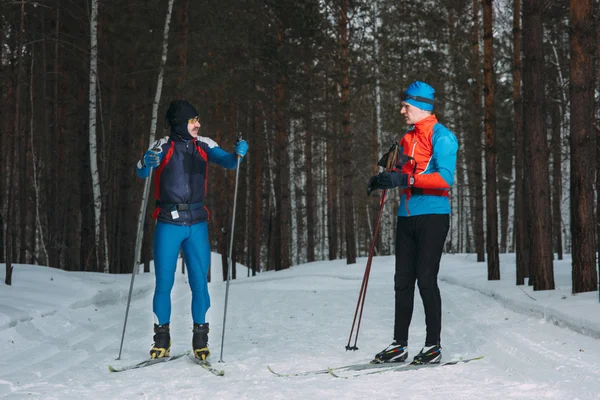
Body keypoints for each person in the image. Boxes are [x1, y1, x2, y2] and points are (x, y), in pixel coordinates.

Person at [136, 100, 248, 360]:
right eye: (192, 121)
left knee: (200, 283)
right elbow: (141, 171)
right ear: (179, 124)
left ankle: (201, 340)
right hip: (168, 222)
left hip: (197, 224)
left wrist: (238, 153)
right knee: (164, 283)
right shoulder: (163, 145)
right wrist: (145, 161)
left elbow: (230, 162)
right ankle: (161, 340)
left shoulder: (204, 144)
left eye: (197, 120)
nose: (198, 125)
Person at [367, 81, 458, 365]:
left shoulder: (442, 136)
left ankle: (433, 346)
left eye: (406, 106)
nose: (401, 110)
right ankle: (399, 345)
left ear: (419, 106)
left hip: (433, 215)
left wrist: (405, 179)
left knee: (426, 280)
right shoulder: (407, 138)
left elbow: (445, 178)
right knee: (402, 281)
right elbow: (404, 171)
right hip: (406, 216)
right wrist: (386, 177)